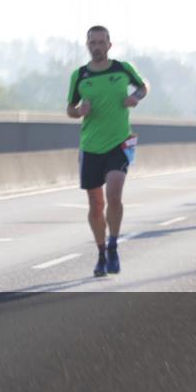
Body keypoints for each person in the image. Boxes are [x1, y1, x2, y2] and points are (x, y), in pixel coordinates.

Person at [67, 26, 148, 277]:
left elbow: (143, 87)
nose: (97, 46)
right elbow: (70, 108)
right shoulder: (79, 76)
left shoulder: (122, 68)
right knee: (95, 203)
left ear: (109, 45)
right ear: (87, 45)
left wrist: (135, 97)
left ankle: (113, 244)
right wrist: (79, 111)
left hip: (119, 143)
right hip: (90, 146)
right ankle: (101, 253)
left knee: (114, 194)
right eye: (93, 42)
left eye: (101, 42)